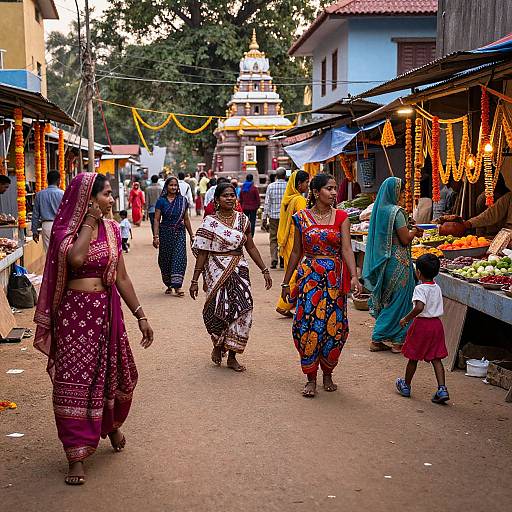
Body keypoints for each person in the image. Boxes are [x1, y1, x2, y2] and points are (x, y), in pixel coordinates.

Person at [33, 173, 154, 485]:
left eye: (112, 194)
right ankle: (75, 455)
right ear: (88, 200)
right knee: (75, 381)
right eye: (106, 194)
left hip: (108, 313)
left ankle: (110, 426)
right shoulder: (64, 233)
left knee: (114, 373)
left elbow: (123, 278)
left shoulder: (114, 230)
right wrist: (88, 221)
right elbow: (76, 258)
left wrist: (140, 315)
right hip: (75, 318)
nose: (112, 200)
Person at [281, 174, 361, 397]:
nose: (335, 193)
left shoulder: (342, 217)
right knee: (307, 326)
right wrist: (286, 282)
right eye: (329, 189)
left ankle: (328, 372)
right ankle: (311, 377)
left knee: (334, 329)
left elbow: (346, 249)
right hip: (309, 282)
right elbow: (297, 252)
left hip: (334, 282)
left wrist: (354, 277)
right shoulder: (301, 218)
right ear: (316, 192)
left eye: (335, 189)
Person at [190, 182, 272, 372]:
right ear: (217, 200)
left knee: (244, 308)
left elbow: (250, 247)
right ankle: (218, 345)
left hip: (239, 268)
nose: (229, 198)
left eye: (232, 195)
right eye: (225, 195)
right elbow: (202, 252)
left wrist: (264, 269)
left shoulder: (243, 221)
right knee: (219, 309)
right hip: (215, 270)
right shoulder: (210, 222)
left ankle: (233, 355)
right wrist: (195, 280)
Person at [363, 177, 422, 353]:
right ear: (396, 192)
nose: (404, 195)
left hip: (386, 262)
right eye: (402, 191)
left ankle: (389, 338)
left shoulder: (379, 210)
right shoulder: (397, 212)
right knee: (401, 301)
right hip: (399, 261)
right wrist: (415, 231)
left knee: (390, 300)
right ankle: (390, 339)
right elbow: (405, 239)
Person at [396, 254, 449, 403]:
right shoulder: (437, 287)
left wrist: (406, 318)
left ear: (418, 272)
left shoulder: (419, 288)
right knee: (436, 358)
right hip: (436, 325)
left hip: (422, 325)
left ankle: (406, 385)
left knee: (413, 357)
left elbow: (419, 307)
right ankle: (442, 388)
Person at [275, 170, 310, 317]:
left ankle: (289, 304)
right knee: (296, 273)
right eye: (306, 182)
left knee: (292, 270)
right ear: (299, 184)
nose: (308, 185)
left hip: (287, 239)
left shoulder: (288, 199)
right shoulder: (299, 200)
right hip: (295, 239)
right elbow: (304, 221)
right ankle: (283, 304)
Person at [153, 176, 194, 297]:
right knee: (165, 259)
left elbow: (186, 219)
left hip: (179, 233)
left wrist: (192, 235)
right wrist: (155, 236)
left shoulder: (182, 200)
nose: (173, 187)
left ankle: (178, 286)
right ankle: (169, 284)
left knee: (179, 258)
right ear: (166, 186)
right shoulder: (161, 201)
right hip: (165, 233)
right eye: (171, 185)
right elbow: (156, 219)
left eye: (175, 185)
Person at [31, 171, 64, 251]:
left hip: (46, 226)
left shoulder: (39, 194)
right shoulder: (63, 194)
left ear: (47, 181)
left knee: (48, 253)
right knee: (60, 251)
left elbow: (35, 215)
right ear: (59, 180)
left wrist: (34, 231)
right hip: (60, 225)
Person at [262, 167, 287, 269]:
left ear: (276, 176)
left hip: (273, 216)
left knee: (273, 238)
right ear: (285, 176)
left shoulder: (271, 186)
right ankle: (282, 259)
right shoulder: (288, 187)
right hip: (285, 217)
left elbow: (267, 203)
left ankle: (274, 259)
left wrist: (264, 217)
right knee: (283, 238)